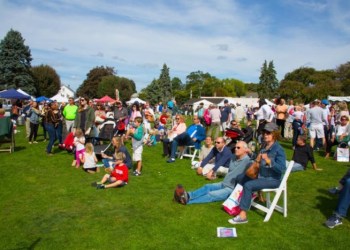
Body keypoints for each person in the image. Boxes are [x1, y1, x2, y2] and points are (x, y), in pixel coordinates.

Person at [228, 122, 286, 224]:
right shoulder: (264, 147)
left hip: (272, 180)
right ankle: (235, 203)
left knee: (248, 185)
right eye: (264, 133)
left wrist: (269, 161)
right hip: (261, 176)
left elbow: (281, 169)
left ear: (275, 134)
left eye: (268, 133)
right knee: (239, 178)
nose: (265, 135)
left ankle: (242, 216)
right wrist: (251, 153)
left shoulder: (279, 149)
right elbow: (258, 159)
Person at [173, 141, 252, 205]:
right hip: (224, 183)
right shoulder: (234, 157)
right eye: (235, 147)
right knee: (207, 186)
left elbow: (256, 162)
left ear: (245, 150)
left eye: (238, 148)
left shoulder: (247, 161)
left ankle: (186, 201)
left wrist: (251, 153)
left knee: (211, 195)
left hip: (231, 189)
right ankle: (188, 195)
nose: (236, 149)